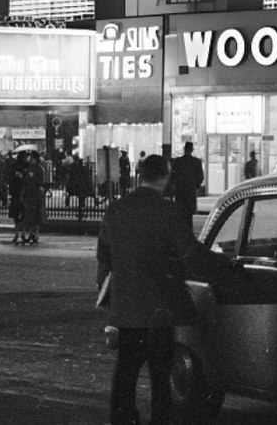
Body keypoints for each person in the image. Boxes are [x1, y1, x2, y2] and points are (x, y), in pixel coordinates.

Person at [97, 154, 225, 425]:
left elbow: (104, 257)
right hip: (160, 309)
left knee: (125, 375)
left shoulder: (115, 209)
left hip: (127, 310)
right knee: (160, 379)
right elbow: (190, 256)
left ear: (140, 175)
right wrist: (222, 266)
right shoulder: (169, 211)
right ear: (166, 176)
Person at [167, 140, 204, 220]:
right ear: (192, 150)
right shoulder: (196, 162)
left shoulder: (178, 161)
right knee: (189, 212)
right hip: (191, 189)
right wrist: (196, 185)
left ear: (184, 149)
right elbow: (200, 176)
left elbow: (173, 175)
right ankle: (189, 229)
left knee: (180, 211)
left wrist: (174, 184)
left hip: (179, 189)